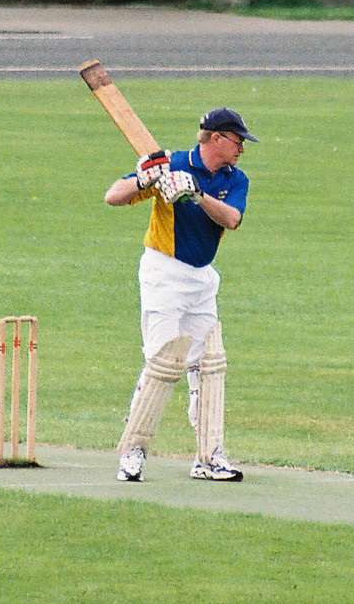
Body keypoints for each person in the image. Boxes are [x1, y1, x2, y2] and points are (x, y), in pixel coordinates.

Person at [103, 106, 255, 482]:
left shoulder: (236, 179)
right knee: (161, 363)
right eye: (236, 141)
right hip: (163, 273)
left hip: (202, 279)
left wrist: (196, 194)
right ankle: (132, 453)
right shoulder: (170, 163)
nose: (241, 150)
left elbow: (232, 219)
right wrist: (144, 180)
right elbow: (112, 196)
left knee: (207, 368)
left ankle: (208, 456)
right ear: (216, 139)